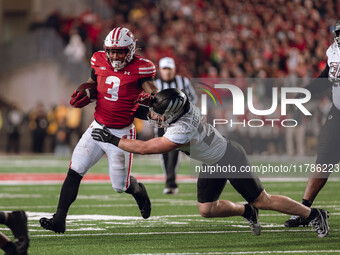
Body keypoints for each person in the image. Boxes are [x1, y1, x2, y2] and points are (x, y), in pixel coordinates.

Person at [91, 88, 330, 237]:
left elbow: (144, 148)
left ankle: (313, 215)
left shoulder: (181, 131)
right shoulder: (181, 107)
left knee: (262, 199)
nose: (155, 117)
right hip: (213, 160)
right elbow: (154, 108)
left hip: (228, 157)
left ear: (172, 115)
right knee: (207, 209)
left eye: (161, 115)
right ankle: (247, 211)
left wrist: (112, 139)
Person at [39, 27, 158, 233]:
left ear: (129, 51)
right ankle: (59, 219)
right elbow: (94, 84)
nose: (114, 56)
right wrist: (85, 91)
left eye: (119, 51)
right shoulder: (98, 60)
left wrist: (154, 98)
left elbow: (152, 90)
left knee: (120, 186)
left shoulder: (141, 68)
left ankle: (139, 191)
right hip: (97, 126)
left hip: (121, 134)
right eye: (111, 51)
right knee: (75, 170)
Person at [284, 18, 340, 227]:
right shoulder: (333, 51)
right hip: (337, 112)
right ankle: (305, 211)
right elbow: (326, 77)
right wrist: (304, 92)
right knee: (323, 161)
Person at [155, 57, 198, 194]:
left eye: (169, 69)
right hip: (161, 124)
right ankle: (170, 179)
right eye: (164, 69)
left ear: (174, 70)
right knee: (164, 153)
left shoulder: (183, 82)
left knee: (173, 150)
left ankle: (170, 182)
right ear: (160, 70)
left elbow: (193, 99)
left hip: (179, 122)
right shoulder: (154, 84)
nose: (167, 72)